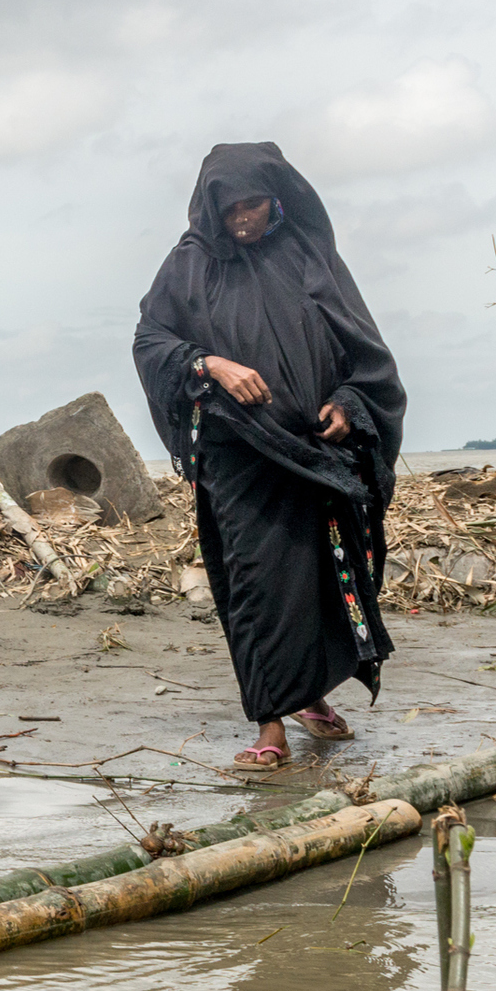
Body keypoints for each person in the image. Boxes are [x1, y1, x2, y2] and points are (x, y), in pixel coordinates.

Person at [132, 145, 405, 770]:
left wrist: (347, 401)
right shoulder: (189, 266)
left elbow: (364, 352)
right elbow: (152, 340)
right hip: (241, 457)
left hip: (316, 453)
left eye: (252, 205)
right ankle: (271, 727)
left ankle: (310, 697)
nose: (242, 220)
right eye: (229, 210)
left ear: (277, 199)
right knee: (258, 586)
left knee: (317, 580)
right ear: (210, 208)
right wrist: (212, 365)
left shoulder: (310, 255)